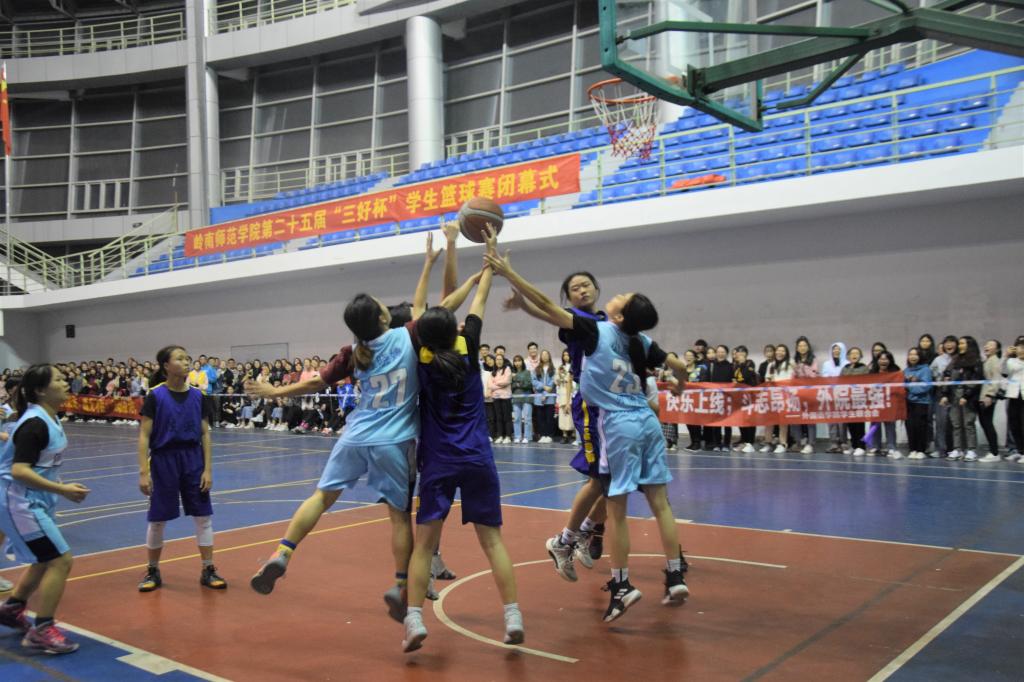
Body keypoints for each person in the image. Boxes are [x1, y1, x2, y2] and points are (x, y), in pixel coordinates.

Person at [487, 251, 691, 622]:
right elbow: (679, 365)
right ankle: (674, 573)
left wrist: (510, 273)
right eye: (576, 287)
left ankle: (617, 580)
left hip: (616, 421)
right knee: (657, 502)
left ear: (619, 314)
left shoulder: (598, 329)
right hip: (647, 420)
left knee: (615, 502)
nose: (615, 294)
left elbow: (547, 305)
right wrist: (679, 384)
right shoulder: (639, 339)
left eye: (622, 298)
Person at [401, 225, 524, 652]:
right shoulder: (469, 345)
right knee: (493, 541)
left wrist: (436, 256)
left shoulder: (420, 356)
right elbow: (481, 298)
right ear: (454, 328)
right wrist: (488, 259)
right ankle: (512, 615)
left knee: (424, 545)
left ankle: (414, 619)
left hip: (438, 461)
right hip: (477, 458)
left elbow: (422, 308)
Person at [504, 270, 610, 576]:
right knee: (601, 479)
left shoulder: (605, 320)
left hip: (613, 406)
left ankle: (585, 531)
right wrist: (513, 279)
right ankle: (567, 538)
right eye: (575, 288)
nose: (582, 290)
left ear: (596, 287)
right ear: (569, 297)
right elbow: (549, 309)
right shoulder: (578, 320)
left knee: (618, 483)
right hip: (591, 406)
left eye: (586, 285)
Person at [0, 365, 90, 654]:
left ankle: (12, 609)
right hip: (19, 500)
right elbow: (19, 470)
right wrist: (62, 490)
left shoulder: (51, 418)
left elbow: (41, 464)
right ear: (40, 390)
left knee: (44, 558)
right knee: (60, 560)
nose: (66, 383)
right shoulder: (34, 424)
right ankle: (42, 630)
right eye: (59, 380)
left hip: (34, 499)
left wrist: (57, 484)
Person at [137, 346, 225, 592]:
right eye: (180, 359)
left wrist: (208, 469)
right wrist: (144, 472)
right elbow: (144, 436)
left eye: (188, 358)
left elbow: (205, 434)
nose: (186, 362)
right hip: (163, 460)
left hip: (193, 459)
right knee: (157, 519)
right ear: (166, 365)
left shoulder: (198, 396)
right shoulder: (155, 396)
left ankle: (208, 568)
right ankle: (152, 570)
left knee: (203, 517)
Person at [941, 336, 984, 462]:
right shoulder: (955, 360)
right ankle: (957, 449)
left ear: (970, 345)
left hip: (968, 397)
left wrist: (966, 395)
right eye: (959, 343)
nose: (960, 346)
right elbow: (947, 375)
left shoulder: (976, 361)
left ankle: (971, 450)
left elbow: (976, 380)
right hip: (954, 395)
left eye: (963, 343)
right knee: (956, 424)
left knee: (968, 423)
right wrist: (945, 394)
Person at [867, 351, 901, 458]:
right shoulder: (872, 372)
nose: (883, 361)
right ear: (877, 361)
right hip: (876, 402)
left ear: (890, 360)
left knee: (890, 425)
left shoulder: (895, 371)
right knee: (874, 425)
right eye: (881, 359)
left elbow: (898, 386)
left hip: (890, 402)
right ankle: (875, 447)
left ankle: (891, 447)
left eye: (886, 359)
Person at [762, 344, 793, 454]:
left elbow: (790, 380)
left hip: (784, 396)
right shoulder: (771, 365)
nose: (780, 353)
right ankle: (768, 443)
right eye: (778, 351)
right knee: (769, 420)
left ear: (786, 353)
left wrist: (778, 382)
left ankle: (782, 443)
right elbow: (767, 379)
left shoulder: (790, 364)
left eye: (782, 351)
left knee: (782, 421)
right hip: (772, 395)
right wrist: (769, 380)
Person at [930, 335, 958, 458]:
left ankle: (956, 449)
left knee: (955, 423)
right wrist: (939, 380)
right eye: (947, 342)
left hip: (956, 394)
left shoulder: (961, 359)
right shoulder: (938, 360)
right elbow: (931, 374)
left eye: (952, 342)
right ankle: (940, 449)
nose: (949, 345)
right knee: (941, 423)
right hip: (941, 394)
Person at [904, 347, 933, 459]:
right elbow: (903, 385)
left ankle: (921, 450)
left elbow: (926, 386)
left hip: (922, 402)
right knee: (910, 426)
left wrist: (910, 387)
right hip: (908, 402)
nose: (913, 357)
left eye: (915, 354)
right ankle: (912, 449)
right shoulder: (906, 370)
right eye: (910, 354)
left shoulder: (926, 370)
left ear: (920, 356)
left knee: (920, 426)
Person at [977, 340, 1003, 462]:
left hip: (988, 396)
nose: (987, 346)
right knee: (985, 423)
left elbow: (996, 379)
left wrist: (990, 395)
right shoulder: (987, 360)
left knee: (988, 423)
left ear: (997, 349)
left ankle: (994, 453)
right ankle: (993, 451)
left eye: (991, 345)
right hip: (982, 395)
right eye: (986, 344)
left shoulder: (995, 361)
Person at [792, 336, 819, 454]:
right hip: (798, 394)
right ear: (797, 348)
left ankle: (811, 443)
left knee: (810, 419)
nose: (802, 348)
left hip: (810, 393)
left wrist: (802, 367)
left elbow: (813, 376)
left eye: (804, 345)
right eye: (800, 346)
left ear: (808, 347)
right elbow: (793, 377)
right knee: (796, 418)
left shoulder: (813, 360)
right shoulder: (795, 360)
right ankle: (799, 442)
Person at [841, 347, 869, 456]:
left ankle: (861, 446)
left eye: (857, 353)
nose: (854, 355)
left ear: (860, 356)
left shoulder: (864, 368)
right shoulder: (845, 368)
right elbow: (841, 381)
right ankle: (853, 445)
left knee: (859, 425)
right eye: (852, 353)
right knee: (850, 424)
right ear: (848, 356)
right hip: (848, 400)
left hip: (859, 399)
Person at [821, 342, 847, 453]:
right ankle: (833, 443)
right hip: (830, 395)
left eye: (838, 349)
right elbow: (825, 377)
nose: (836, 351)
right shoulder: (826, 364)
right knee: (831, 421)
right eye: (834, 349)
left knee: (842, 422)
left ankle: (843, 443)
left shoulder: (847, 363)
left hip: (842, 395)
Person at [706, 345, 733, 452]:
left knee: (727, 422)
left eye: (723, 352)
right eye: (718, 352)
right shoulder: (711, 365)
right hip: (715, 396)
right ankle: (717, 443)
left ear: (726, 353)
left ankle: (726, 443)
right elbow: (707, 381)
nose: (720, 354)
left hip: (727, 397)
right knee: (716, 421)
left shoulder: (731, 366)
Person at [732, 346, 759, 453]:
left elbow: (745, 376)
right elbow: (733, 379)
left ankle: (750, 442)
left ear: (745, 354)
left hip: (750, 396)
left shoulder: (749, 363)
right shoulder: (735, 365)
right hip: (739, 396)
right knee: (740, 419)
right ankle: (743, 440)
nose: (738, 355)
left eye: (741, 353)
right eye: (736, 353)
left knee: (750, 419)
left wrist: (742, 364)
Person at [1002, 336, 1024, 463]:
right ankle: (1020, 451)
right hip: (1013, 395)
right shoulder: (1011, 361)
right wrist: (1006, 356)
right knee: (1014, 424)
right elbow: (1003, 372)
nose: (1021, 350)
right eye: (1019, 347)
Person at [533, 350, 557, 444]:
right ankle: (543, 435)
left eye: (546, 354)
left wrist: (546, 394)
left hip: (549, 398)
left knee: (549, 418)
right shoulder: (536, 369)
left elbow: (551, 385)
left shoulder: (553, 370)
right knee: (540, 418)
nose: (544, 356)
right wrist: (543, 387)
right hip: (539, 399)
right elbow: (534, 381)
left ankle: (549, 435)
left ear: (549, 356)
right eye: (543, 354)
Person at [489, 354, 513, 443]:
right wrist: (499, 385)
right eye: (497, 359)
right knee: (499, 418)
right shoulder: (493, 372)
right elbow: (490, 385)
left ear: (503, 361)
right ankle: (500, 436)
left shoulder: (507, 369)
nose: (498, 361)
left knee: (507, 417)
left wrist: (496, 383)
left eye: (500, 359)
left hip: (505, 397)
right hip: (496, 397)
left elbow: (507, 381)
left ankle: (508, 436)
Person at [510, 355, 534, 444]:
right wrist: (519, 383)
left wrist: (517, 379)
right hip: (516, 398)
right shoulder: (511, 373)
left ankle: (527, 437)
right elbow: (511, 386)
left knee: (527, 418)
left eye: (519, 361)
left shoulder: (527, 372)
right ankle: (517, 436)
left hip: (527, 398)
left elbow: (528, 384)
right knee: (516, 419)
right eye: (515, 361)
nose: (517, 363)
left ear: (522, 362)